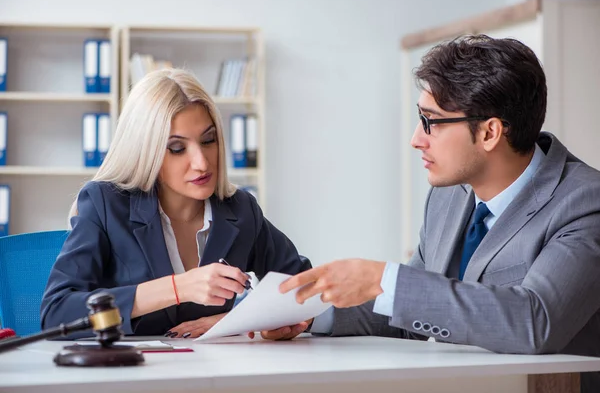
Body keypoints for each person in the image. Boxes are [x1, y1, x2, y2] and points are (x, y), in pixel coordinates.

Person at [280, 35, 600, 391]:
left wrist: (383, 280)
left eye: (431, 121)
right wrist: (309, 318)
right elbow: (412, 312)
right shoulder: (447, 197)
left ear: (490, 132)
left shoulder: (585, 203)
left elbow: (535, 320)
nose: (417, 138)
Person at [40, 68, 312, 339]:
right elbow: (56, 314)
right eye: (177, 148)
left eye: (208, 140)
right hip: (131, 375)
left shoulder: (240, 210)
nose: (202, 163)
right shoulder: (105, 203)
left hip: (214, 375)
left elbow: (307, 291)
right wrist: (178, 288)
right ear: (146, 150)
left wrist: (237, 319)